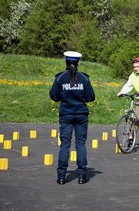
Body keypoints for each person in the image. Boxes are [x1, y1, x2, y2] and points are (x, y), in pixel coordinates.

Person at [49, 51, 95, 185]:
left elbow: (53, 96)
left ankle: (61, 177)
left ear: (66, 62)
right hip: (81, 115)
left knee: (65, 146)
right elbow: (91, 97)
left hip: (66, 115)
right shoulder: (84, 78)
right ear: (78, 62)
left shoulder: (60, 78)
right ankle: (81, 176)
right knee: (80, 145)